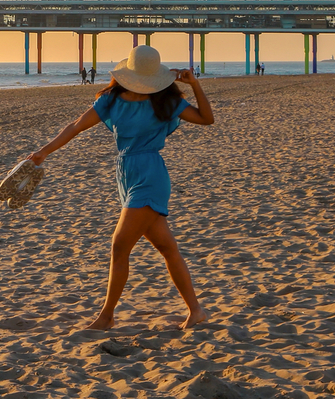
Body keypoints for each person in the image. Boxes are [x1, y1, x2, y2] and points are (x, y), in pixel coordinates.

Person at [26, 45, 214, 331]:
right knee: (167, 247)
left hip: (151, 174)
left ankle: (107, 316)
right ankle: (196, 311)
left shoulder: (165, 101)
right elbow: (75, 126)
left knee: (119, 244)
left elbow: (206, 118)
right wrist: (43, 152)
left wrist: (195, 84)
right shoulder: (111, 100)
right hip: (125, 173)